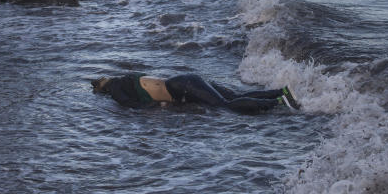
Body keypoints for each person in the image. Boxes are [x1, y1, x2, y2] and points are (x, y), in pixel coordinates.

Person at [91, 73, 300, 114]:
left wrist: (155, 110)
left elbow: (128, 103)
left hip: (183, 86)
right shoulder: (126, 79)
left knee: (225, 106)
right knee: (234, 97)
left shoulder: (115, 85)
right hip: (184, 82)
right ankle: (281, 92)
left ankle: (280, 102)